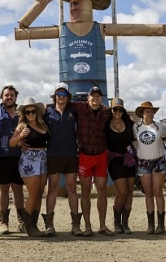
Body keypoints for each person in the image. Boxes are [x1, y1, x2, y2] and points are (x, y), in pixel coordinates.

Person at [15, 0, 166, 100]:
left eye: (77, 3)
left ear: (90, 5)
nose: (73, 8)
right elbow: (20, 32)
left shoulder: (100, 28)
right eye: (70, 4)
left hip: (99, 92)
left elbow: (136, 28)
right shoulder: (62, 30)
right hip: (67, 95)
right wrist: (38, 5)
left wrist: (163, 29)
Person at [72, 86, 114, 236]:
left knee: (102, 190)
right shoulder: (79, 107)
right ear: (88, 98)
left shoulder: (106, 111)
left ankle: (102, 225)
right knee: (85, 191)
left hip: (101, 155)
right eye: (92, 96)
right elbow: (61, 104)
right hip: (85, 155)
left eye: (98, 96)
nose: (95, 98)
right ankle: (87, 226)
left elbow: (120, 118)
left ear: (101, 98)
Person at [0, 84, 26, 234]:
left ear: (16, 97)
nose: (9, 97)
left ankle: (22, 222)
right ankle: (3, 223)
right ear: (1, 97)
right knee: (3, 189)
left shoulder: (21, 113)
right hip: (0, 156)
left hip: (19, 156)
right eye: (6, 95)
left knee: (18, 189)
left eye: (12, 95)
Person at [44, 82, 83, 236]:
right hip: (53, 154)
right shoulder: (47, 112)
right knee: (52, 188)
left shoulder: (74, 112)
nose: (61, 97)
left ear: (68, 96)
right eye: (58, 94)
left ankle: (75, 225)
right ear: (55, 96)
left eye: (64, 94)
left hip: (71, 154)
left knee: (72, 188)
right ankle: (49, 225)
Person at [9, 96, 50, 237]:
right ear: (24, 114)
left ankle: (33, 225)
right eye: (28, 112)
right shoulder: (22, 126)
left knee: (39, 192)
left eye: (33, 111)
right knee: (33, 193)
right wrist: (20, 137)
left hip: (43, 159)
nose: (31, 114)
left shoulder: (44, 124)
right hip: (29, 160)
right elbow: (11, 143)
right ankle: (27, 225)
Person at [133, 101, 166, 235]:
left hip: (158, 162)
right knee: (148, 194)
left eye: (151, 111)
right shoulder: (136, 127)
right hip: (143, 163)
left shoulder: (160, 127)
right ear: (142, 113)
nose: (150, 113)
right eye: (147, 111)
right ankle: (150, 224)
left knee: (158, 192)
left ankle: (161, 224)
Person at [105, 98, 136, 235]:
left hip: (129, 159)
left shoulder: (129, 122)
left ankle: (125, 223)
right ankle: (117, 222)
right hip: (115, 160)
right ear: (111, 110)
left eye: (120, 109)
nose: (118, 112)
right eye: (115, 109)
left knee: (130, 191)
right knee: (122, 191)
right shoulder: (105, 124)